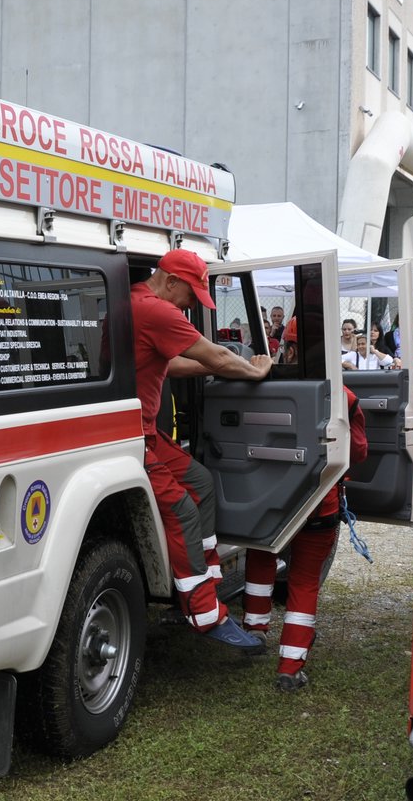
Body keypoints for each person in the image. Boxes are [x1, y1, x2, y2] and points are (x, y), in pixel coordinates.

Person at [134, 249, 273, 651]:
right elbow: (215, 354)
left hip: (146, 431)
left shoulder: (140, 302)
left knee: (201, 481)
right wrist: (255, 369)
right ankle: (202, 612)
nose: (192, 305)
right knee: (180, 507)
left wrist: (218, 366)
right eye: (192, 295)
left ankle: (207, 578)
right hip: (132, 434)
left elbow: (172, 365)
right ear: (171, 281)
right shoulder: (157, 310)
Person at [240, 382, 368, 692]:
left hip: (271, 498)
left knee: (261, 555)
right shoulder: (345, 396)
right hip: (320, 503)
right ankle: (290, 668)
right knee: (305, 581)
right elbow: (359, 451)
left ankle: (253, 634)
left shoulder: (265, 388)